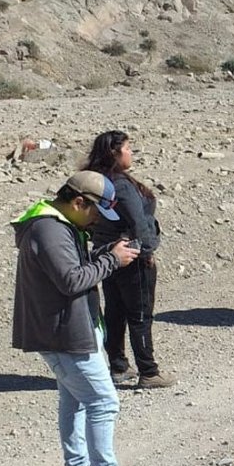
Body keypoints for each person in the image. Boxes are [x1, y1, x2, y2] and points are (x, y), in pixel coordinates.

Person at [12, 170, 150, 466]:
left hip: (67, 330)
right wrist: (111, 260)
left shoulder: (58, 225)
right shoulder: (49, 229)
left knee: (73, 400)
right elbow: (71, 280)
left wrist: (104, 252)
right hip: (64, 335)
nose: (95, 222)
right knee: (104, 402)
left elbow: (70, 268)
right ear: (78, 202)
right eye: (94, 213)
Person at [84, 131, 176, 388]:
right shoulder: (120, 184)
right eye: (128, 148)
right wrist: (145, 253)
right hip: (133, 256)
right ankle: (149, 372)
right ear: (115, 152)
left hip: (109, 256)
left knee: (115, 312)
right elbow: (138, 223)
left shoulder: (96, 180)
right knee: (140, 315)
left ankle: (118, 366)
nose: (131, 153)